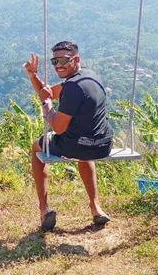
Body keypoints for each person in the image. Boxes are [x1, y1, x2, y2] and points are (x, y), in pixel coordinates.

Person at [23, 41, 112, 231]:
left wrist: (47, 108)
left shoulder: (71, 88)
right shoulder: (88, 76)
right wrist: (33, 75)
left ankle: (44, 209)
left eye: (63, 59)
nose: (58, 65)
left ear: (76, 59)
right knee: (85, 147)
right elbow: (47, 92)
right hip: (103, 144)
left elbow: (58, 126)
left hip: (76, 145)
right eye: (54, 60)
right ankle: (95, 207)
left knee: (36, 146)